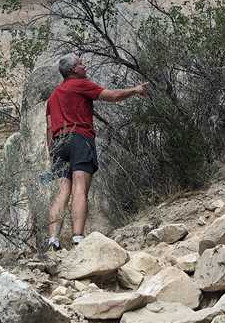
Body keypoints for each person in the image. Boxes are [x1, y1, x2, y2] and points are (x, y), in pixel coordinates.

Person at [44, 53, 148, 250]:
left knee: (62, 191)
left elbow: (49, 129)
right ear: (73, 70)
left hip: (59, 144)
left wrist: (53, 153)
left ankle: (53, 240)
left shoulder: (52, 98)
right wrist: (135, 90)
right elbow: (113, 96)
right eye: (81, 64)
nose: (85, 67)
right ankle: (77, 238)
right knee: (80, 188)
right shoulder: (81, 84)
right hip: (79, 138)